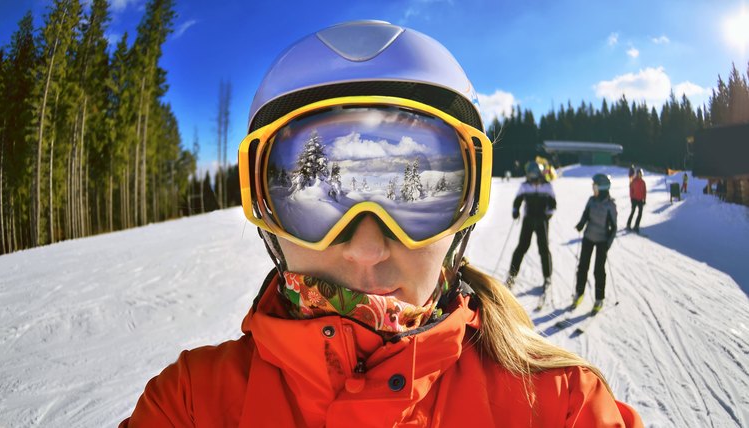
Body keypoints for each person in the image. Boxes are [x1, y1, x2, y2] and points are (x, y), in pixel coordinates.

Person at [120, 21, 642, 427]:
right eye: (318, 200)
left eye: (406, 194)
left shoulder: (559, 406)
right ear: (267, 215)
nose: (366, 248)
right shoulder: (192, 405)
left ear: (464, 212)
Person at [506, 161, 556, 291]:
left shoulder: (547, 186)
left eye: (533, 176)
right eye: (530, 176)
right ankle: (512, 275)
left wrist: (548, 215)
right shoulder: (525, 186)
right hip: (528, 220)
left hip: (541, 221)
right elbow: (517, 201)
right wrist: (515, 211)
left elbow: (553, 204)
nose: (531, 179)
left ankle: (547, 277)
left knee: (544, 248)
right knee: (522, 247)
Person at [573, 174, 618, 314]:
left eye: (595, 186)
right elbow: (586, 215)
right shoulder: (591, 200)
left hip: (601, 241)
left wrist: (608, 244)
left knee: (598, 271)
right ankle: (579, 293)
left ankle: (599, 299)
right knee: (582, 267)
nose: (593, 188)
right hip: (588, 237)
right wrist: (581, 224)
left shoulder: (610, 205)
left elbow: (614, 228)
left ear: (602, 188)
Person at [627, 168, 646, 233]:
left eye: (640, 174)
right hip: (634, 199)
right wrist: (632, 198)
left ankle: (636, 226)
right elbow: (631, 190)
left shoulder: (643, 182)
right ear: (637, 174)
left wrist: (644, 199)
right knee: (633, 211)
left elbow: (644, 191)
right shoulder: (634, 181)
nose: (639, 175)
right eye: (638, 174)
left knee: (640, 213)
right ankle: (628, 224)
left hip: (640, 199)